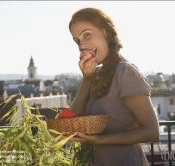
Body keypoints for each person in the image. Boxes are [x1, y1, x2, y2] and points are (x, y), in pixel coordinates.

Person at [67, 8, 159, 166]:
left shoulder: (125, 73)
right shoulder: (97, 75)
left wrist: (100, 140)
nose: (82, 45)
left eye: (87, 35)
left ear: (105, 31)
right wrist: (87, 79)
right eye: (77, 40)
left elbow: (152, 132)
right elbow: (66, 124)